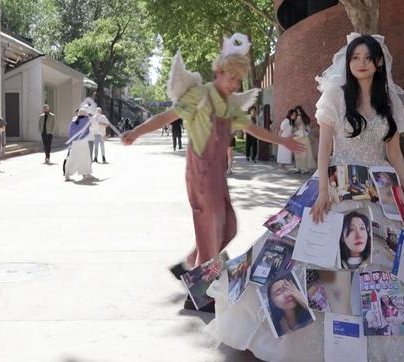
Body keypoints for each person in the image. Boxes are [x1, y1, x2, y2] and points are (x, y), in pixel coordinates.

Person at [206, 34, 404, 362]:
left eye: (366, 58)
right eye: (355, 58)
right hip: (336, 184)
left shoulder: (389, 102)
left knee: (393, 263)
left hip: (381, 189)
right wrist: (323, 192)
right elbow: (325, 148)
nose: (360, 63)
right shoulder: (335, 96)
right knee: (316, 257)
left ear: (378, 62)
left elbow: (395, 153)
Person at [121, 33, 303, 311]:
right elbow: (167, 117)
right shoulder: (198, 95)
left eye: (238, 81)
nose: (235, 85)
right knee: (210, 229)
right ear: (218, 72)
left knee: (227, 227)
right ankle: (199, 296)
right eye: (231, 78)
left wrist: (283, 142)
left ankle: (187, 267)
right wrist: (136, 132)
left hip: (218, 174)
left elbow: (252, 129)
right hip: (201, 172)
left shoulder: (230, 104)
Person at [64, 108, 93, 181]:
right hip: (83, 142)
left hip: (75, 142)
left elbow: (70, 133)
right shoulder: (87, 121)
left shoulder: (73, 122)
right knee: (85, 158)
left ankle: (67, 173)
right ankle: (86, 173)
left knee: (73, 158)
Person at [292, 106, 316, 173]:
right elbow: (294, 126)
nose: (298, 112)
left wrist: (307, 132)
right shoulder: (295, 118)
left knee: (305, 152)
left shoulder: (304, 118)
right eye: (297, 111)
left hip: (304, 136)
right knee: (297, 152)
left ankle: (305, 168)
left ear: (301, 111)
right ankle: (298, 168)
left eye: (299, 111)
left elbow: (307, 127)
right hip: (297, 136)